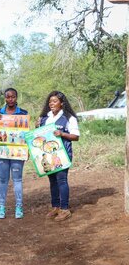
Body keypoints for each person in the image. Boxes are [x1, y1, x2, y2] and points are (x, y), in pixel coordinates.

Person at [36, 91, 80, 222]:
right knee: (53, 181)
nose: (51, 104)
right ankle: (55, 207)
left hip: (63, 154)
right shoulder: (45, 118)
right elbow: (39, 136)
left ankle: (65, 209)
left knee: (62, 180)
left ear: (62, 103)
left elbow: (76, 137)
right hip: (47, 155)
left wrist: (62, 133)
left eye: (54, 101)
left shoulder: (69, 118)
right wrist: (36, 126)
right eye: (50, 102)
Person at [0, 88, 28, 219]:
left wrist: (27, 150)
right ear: (5, 98)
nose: (10, 99)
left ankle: (19, 206)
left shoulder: (23, 113)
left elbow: (26, 134)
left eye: (13, 97)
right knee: (3, 180)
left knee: (17, 179)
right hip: (2, 151)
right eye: (8, 97)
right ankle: (1, 206)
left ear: (17, 97)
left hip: (18, 152)